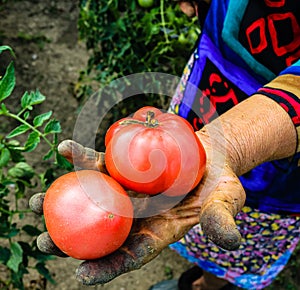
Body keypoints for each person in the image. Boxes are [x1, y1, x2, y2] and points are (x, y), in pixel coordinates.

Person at [29, 0, 300, 289]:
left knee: (233, 229)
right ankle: (202, 276)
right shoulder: (164, 137)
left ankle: (209, 285)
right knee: (201, 214)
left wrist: (232, 145)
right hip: (212, 70)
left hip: (283, 148)